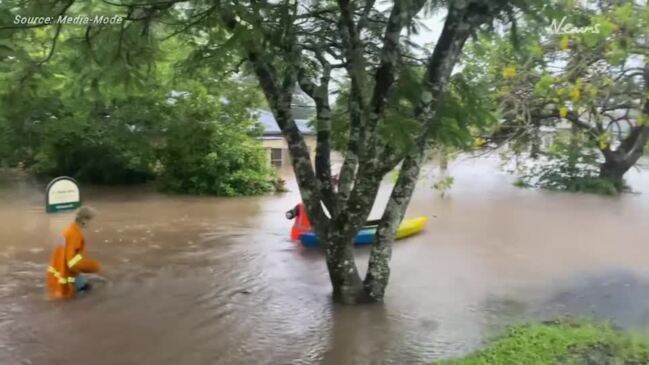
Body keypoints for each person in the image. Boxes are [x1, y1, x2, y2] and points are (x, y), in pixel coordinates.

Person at [46, 206, 102, 300]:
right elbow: (73, 263)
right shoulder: (76, 235)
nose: (93, 224)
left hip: (56, 275)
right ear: (84, 220)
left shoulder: (67, 230)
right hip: (67, 278)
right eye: (92, 220)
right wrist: (96, 267)